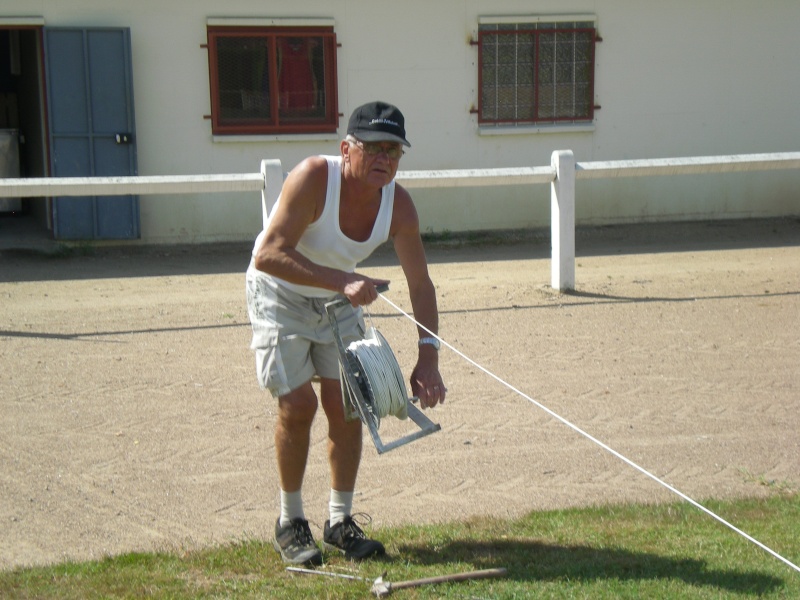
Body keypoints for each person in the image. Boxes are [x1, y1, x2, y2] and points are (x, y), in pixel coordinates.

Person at [245, 101, 446, 566]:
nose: (385, 160)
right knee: (298, 406)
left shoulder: (399, 205)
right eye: (373, 148)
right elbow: (268, 255)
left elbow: (421, 283)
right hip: (280, 296)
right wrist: (342, 281)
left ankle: (339, 522)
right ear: (346, 149)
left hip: (339, 298)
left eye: (394, 151)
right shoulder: (315, 177)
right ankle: (290, 522)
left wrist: (428, 355)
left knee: (349, 406)